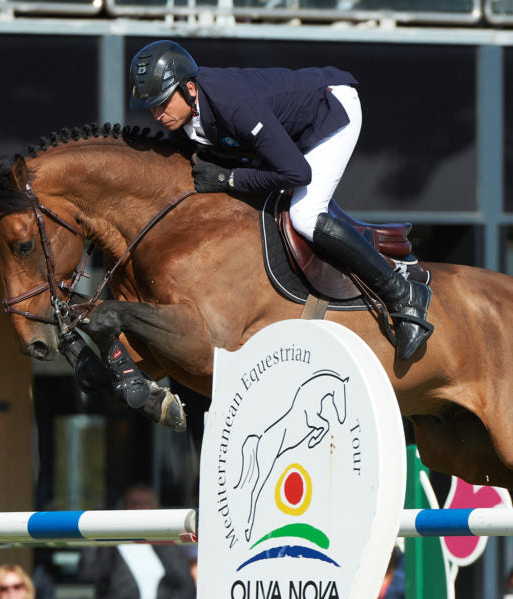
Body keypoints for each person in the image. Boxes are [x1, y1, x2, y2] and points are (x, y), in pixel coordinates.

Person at [128, 40, 433, 361]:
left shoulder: (232, 104)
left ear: (189, 88)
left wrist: (229, 179)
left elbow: (295, 173)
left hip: (329, 111)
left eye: (163, 103)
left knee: (304, 214)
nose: (158, 114)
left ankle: (402, 293)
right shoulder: (188, 116)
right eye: (151, 107)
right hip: (289, 128)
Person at [77, 483, 196, 599]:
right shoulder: (111, 545)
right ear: (124, 508)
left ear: (154, 508)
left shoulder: (165, 545)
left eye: (146, 504)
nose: (141, 509)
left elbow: (187, 585)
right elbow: (88, 574)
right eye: (135, 504)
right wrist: (93, 529)